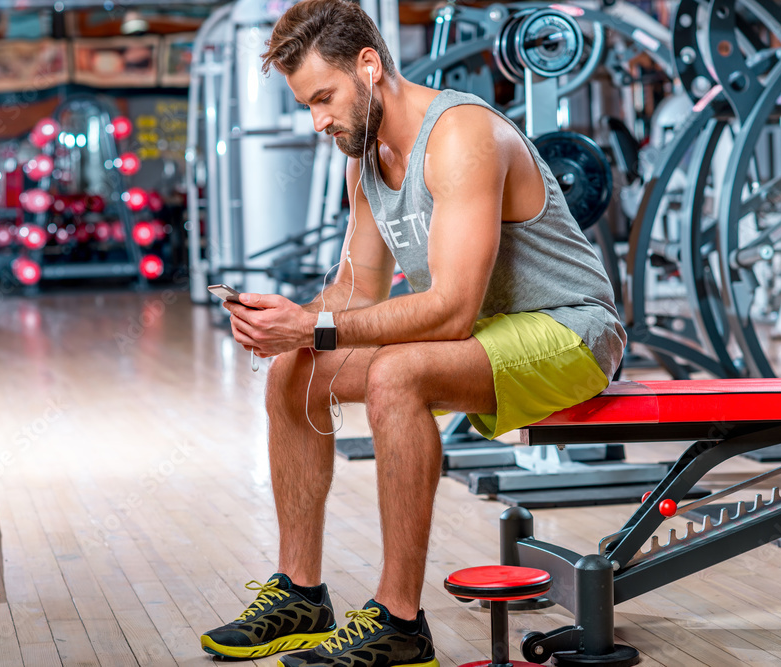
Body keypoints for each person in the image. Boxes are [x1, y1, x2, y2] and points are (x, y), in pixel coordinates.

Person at [200, 0, 626, 665]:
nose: (318, 121)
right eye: (307, 105)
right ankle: (300, 593)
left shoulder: (458, 135)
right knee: (298, 370)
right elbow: (354, 293)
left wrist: (311, 326)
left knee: (398, 372)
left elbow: (452, 308)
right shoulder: (363, 156)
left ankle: (400, 620)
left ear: (368, 66)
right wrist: (285, 323)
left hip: (572, 329)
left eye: (324, 98)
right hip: (485, 335)